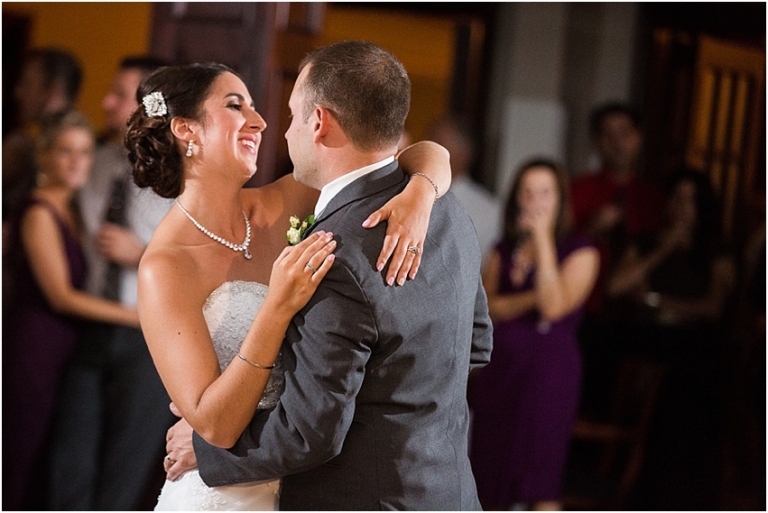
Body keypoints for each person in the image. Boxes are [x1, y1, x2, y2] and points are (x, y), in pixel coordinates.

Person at [123, 52, 464, 509]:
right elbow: (216, 426)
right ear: (186, 129)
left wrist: (421, 191)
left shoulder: (287, 199)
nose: (260, 121)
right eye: (235, 105)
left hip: (310, 481)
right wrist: (277, 306)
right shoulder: (165, 265)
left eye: (254, 107)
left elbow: (407, 156)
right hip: (228, 491)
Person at [46, 56, 174, 511]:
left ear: (150, 107)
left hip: (149, 343)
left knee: (123, 477)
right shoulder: (92, 164)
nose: (107, 102)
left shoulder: (180, 177)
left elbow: (208, 263)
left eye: (121, 95)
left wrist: (140, 254)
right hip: (87, 329)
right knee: (68, 465)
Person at [1, 111, 140, 510]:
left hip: (65, 348)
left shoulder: (76, 208)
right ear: (44, 157)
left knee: (44, 463)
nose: (78, 162)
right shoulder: (38, 211)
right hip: (33, 349)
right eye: (65, 152)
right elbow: (61, 296)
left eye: (84, 152)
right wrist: (135, 316)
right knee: (17, 460)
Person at [468, 158, 599, 511]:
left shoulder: (582, 251)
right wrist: (531, 300)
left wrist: (542, 241)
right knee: (487, 474)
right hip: (500, 373)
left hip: (549, 378)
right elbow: (486, 307)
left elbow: (554, 306)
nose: (535, 201)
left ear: (560, 200)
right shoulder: (503, 249)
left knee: (540, 479)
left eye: (545, 193)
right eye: (527, 192)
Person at [605, 169, 735, 509]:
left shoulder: (715, 250)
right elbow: (616, 286)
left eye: (690, 199)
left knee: (691, 381)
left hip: (691, 351)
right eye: (677, 197)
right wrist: (663, 251)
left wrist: (654, 300)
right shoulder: (647, 240)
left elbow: (712, 308)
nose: (682, 206)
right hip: (646, 344)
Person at [426, 114, 502, 262]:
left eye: (437, 143)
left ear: (463, 153)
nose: (427, 150)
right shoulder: (406, 192)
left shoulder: (488, 210)